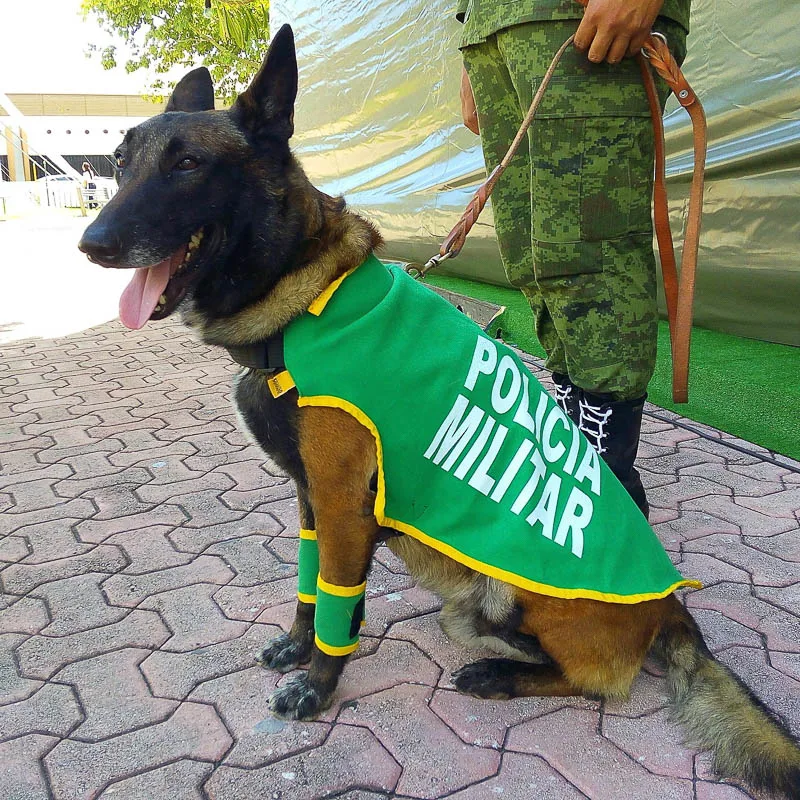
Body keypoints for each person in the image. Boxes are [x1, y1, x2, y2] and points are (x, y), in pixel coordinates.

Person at [456, 0, 690, 519]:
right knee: (532, 258)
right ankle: (577, 478)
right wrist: (472, 31)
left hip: (582, 19)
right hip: (500, 26)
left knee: (592, 258)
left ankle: (610, 509)